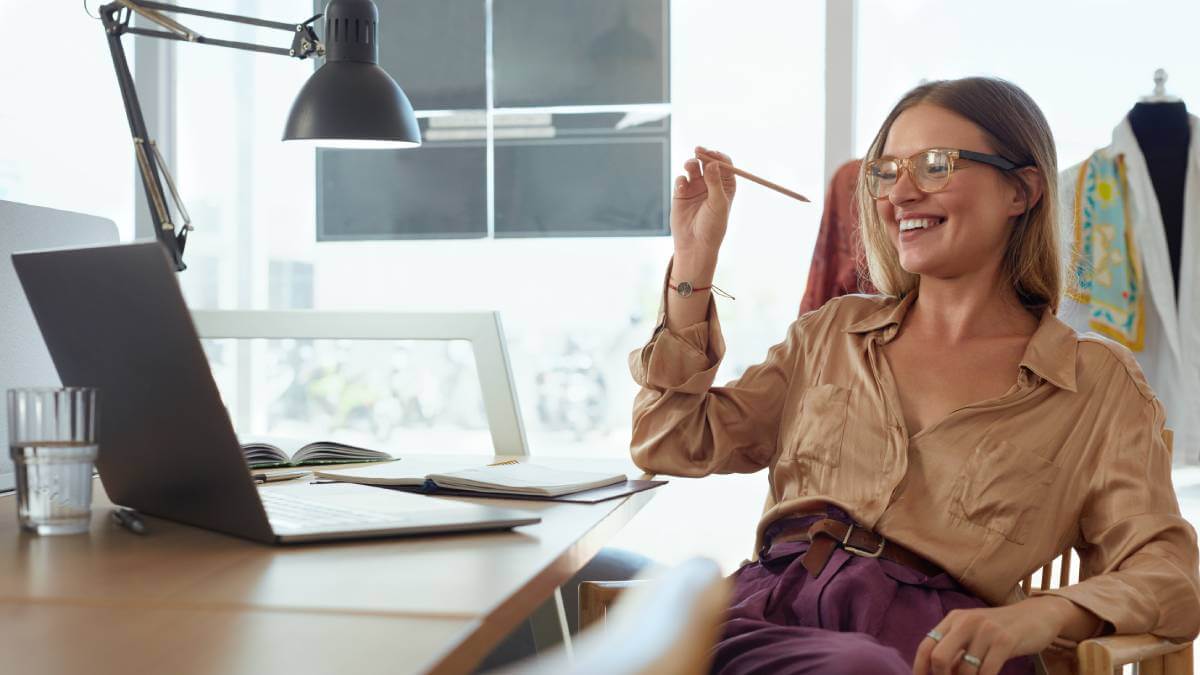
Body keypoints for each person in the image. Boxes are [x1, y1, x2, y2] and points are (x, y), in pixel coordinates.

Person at [628, 77, 1200, 675]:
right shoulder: (830, 334)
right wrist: (694, 264)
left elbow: (1167, 575)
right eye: (887, 169)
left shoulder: (1095, 383)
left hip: (935, 652)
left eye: (934, 165)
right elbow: (669, 441)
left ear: (1022, 190)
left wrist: (1043, 615)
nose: (898, 193)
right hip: (766, 621)